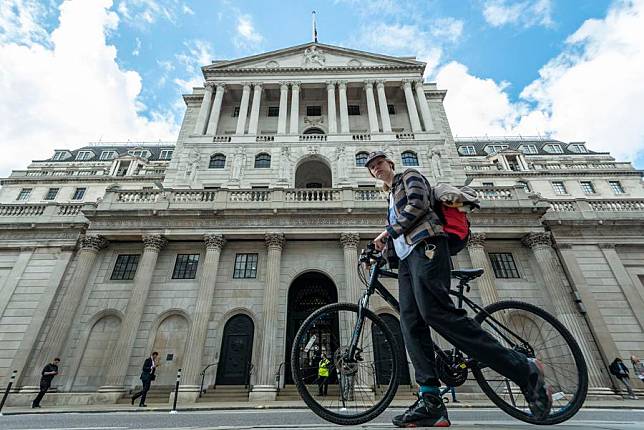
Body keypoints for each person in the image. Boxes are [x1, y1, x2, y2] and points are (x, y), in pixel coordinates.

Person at [365, 151, 552, 427]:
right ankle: (431, 402)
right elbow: (396, 236)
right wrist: (378, 252)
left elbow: (417, 205)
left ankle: (523, 369)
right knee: (411, 325)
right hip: (407, 260)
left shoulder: (409, 176)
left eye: (379, 163)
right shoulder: (390, 196)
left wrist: (387, 233)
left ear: (390, 164)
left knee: (436, 313)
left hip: (427, 246)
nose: (376, 168)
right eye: (371, 167)